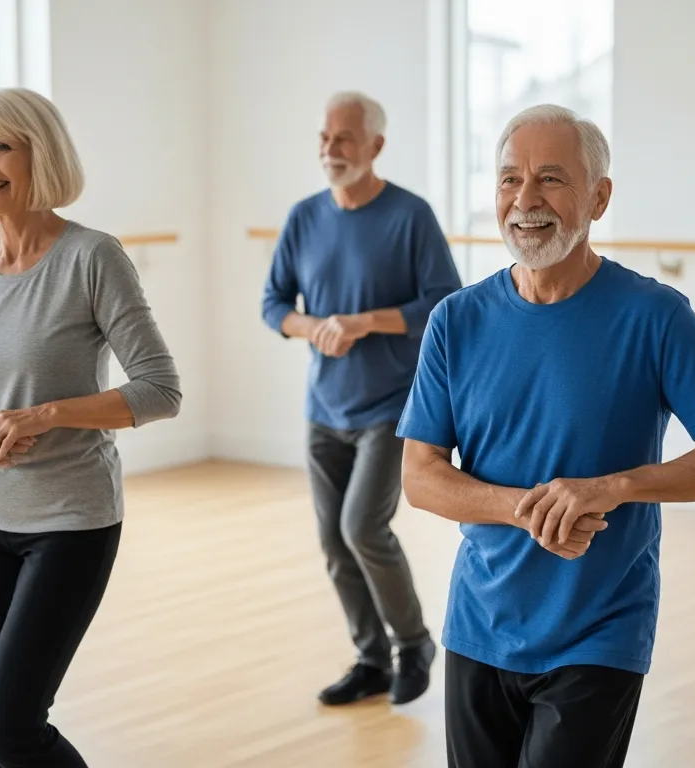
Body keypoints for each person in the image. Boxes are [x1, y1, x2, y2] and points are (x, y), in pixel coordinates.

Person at [396, 103, 695, 768]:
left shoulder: (653, 315)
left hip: (600, 629)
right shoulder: (456, 320)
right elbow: (420, 475)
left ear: (599, 196)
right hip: (479, 625)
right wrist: (526, 508)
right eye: (510, 179)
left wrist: (613, 487)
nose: (525, 200)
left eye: (551, 179)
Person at [0, 86, 181, 768]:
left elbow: (159, 389)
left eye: (1, 146)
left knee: (8, 726)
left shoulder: (92, 258)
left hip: (70, 522)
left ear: (43, 154)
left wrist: (50, 413)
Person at [261, 90, 462, 707]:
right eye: (324, 138)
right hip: (324, 409)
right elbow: (274, 305)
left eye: (344, 138)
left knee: (362, 528)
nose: (330, 150)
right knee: (332, 541)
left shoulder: (410, 216)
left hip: (391, 408)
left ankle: (414, 643)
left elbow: (442, 303)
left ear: (375, 145)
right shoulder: (303, 217)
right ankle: (372, 658)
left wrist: (363, 321)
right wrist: (313, 325)